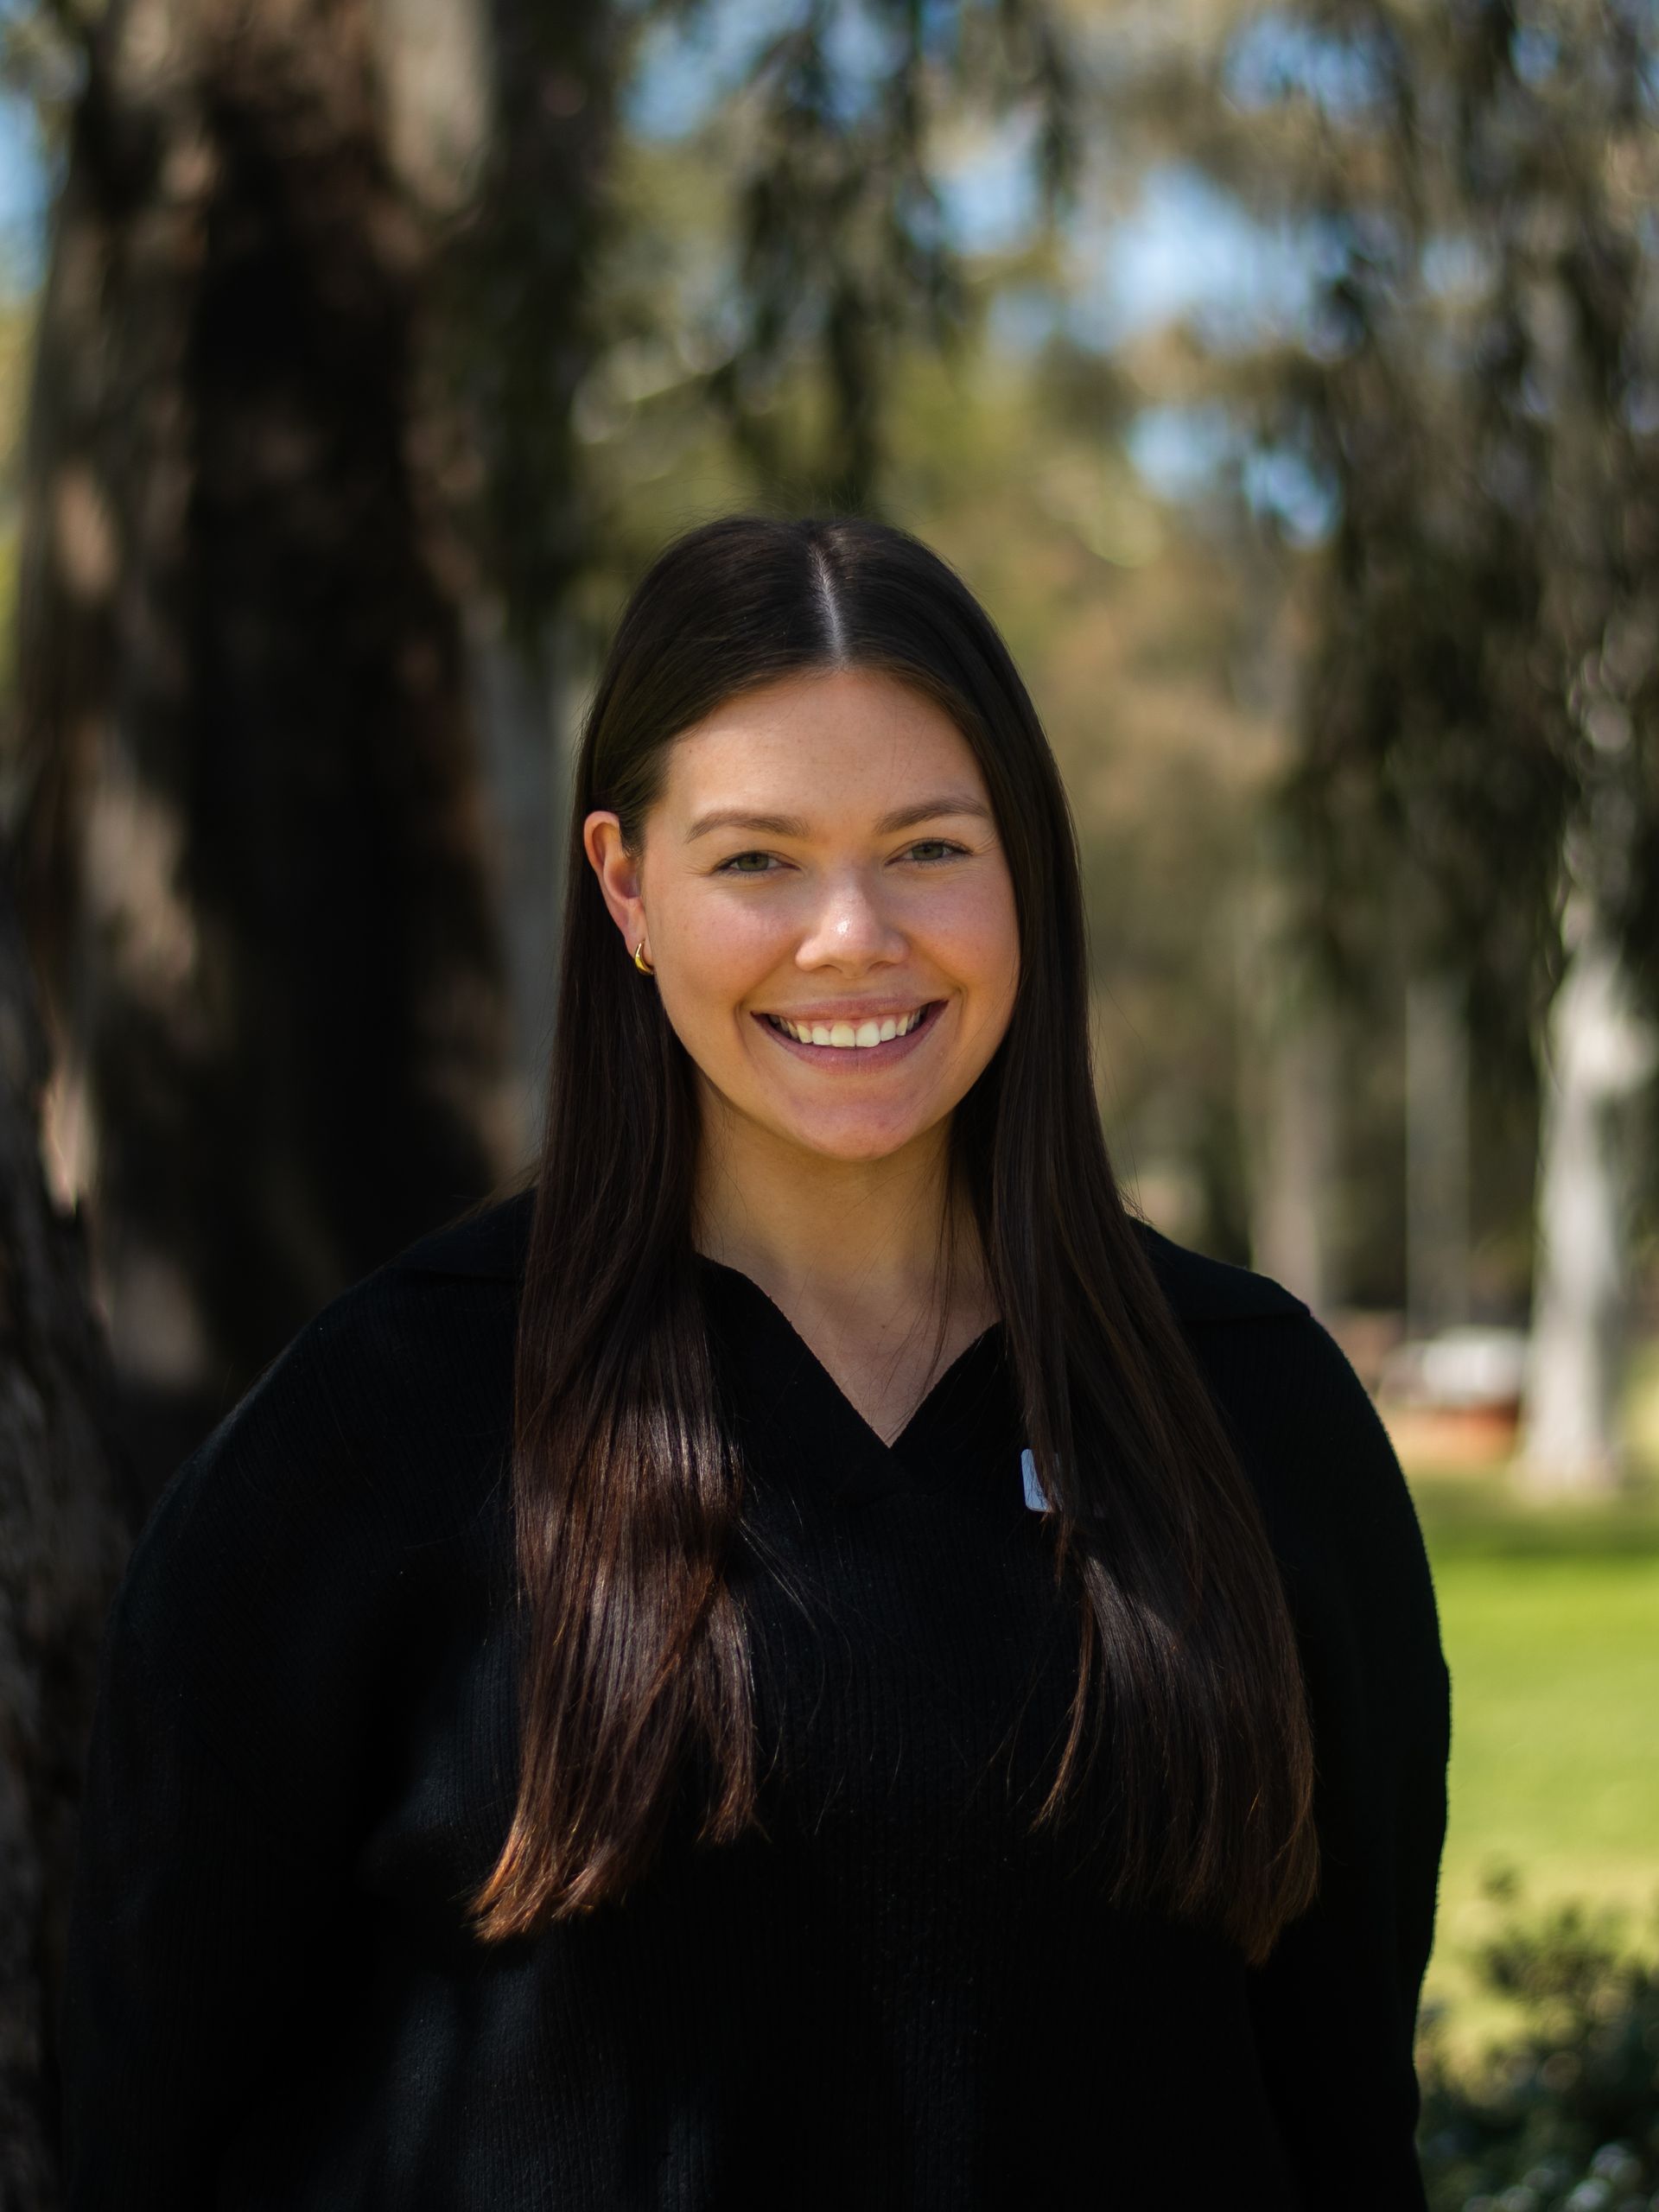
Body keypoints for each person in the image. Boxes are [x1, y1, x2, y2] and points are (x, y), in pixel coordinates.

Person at [57, 512, 1451, 2208]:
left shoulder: (1254, 1408)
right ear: (625, 886)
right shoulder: (384, 1424)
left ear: (1029, 867)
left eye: (928, 847)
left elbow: (1341, 2115)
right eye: (756, 860)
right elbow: (149, 2105)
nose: (851, 934)